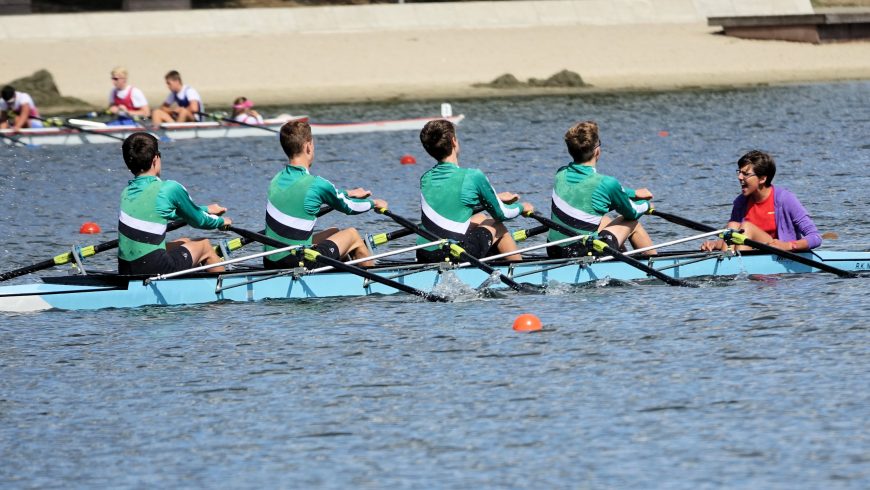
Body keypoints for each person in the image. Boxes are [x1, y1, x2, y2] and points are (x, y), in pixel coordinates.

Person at [262, 119, 386, 269]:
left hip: (270, 261)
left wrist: (347, 193)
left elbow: (307, 195)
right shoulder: (316, 184)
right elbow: (349, 207)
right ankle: (370, 282)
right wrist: (375, 203)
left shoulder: (276, 180)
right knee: (352, 235)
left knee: (333, 232)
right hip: (297, 262)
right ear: (308, 146)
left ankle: (341, 273)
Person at [416, 119, 533, 263]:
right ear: (454, 141)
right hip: (451, 255)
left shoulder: (425, 178)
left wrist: (495, 198)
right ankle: (519, 271)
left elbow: (453, 206)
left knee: (479, 218)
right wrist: (522, 208)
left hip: (423, 254)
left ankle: (493, 259)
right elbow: (502, 214)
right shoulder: (473, 176)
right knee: (495, 224)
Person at [118, 132, 231, 275]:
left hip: (125, 268)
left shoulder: (126, 192)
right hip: (152, 268)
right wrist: (221, 221)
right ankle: (224, 291)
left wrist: (205, 209)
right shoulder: (169, 188)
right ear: (155, 159)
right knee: (205, 245)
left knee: (183, 241)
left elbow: (165, 211)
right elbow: (199, 221)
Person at [547, 120, 655, 258]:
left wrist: (633, 193)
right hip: (581, 252)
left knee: (603, 219)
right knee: (632, 223)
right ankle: (657, 267)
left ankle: (621, 258)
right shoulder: (607, 183)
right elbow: (632, 212)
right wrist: (645, 205)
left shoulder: (560, 174)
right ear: (597, 151)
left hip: (553, 250)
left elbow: (589, 189)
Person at [701, 150, 821, 252]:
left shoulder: (785, 199)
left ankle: (735, 273)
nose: (739, 177)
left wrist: (788, 245)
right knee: (732, 225)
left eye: (745, 174)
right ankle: (727, 266)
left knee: (746, 227)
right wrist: (715, 244)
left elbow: (815, 237)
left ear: (763, 178)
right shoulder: (740, 202)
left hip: (779, 256)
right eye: (739, 172)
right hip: (752, 253)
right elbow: (732, 236)